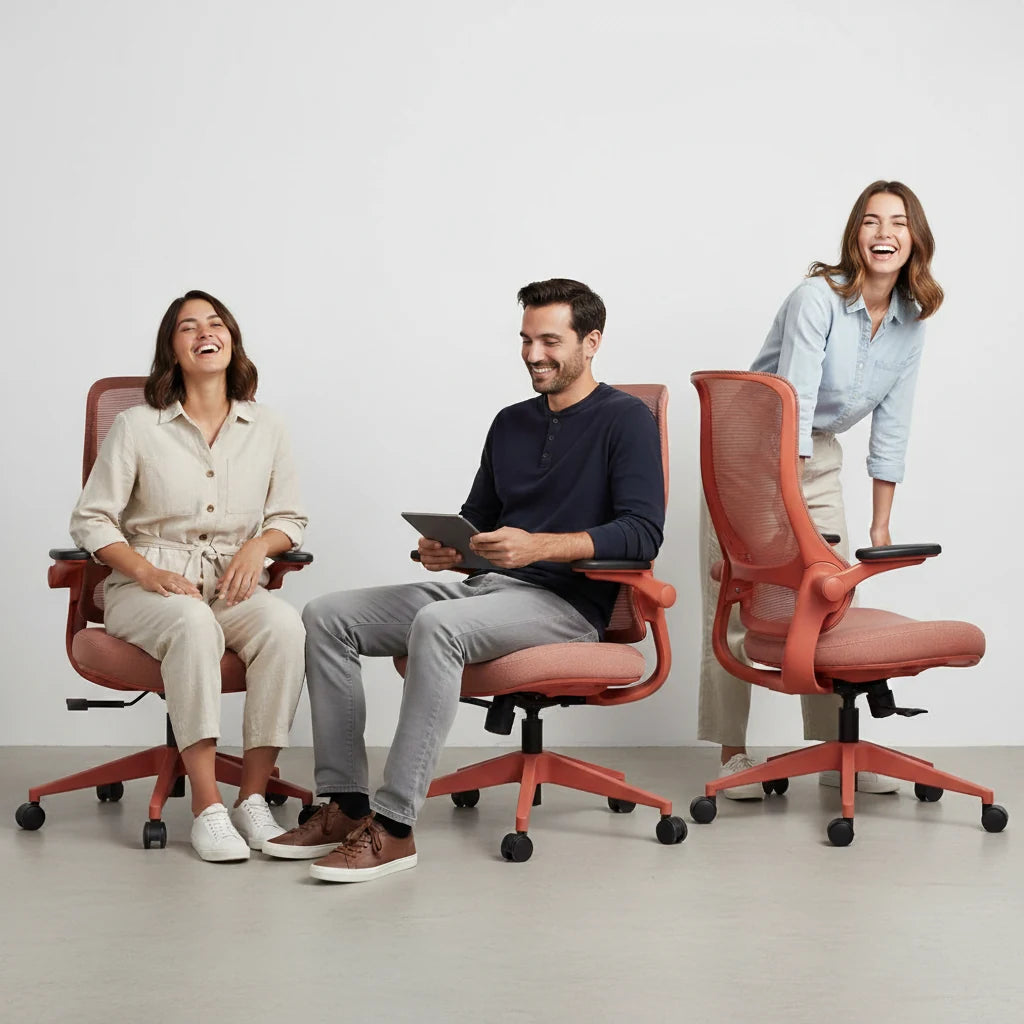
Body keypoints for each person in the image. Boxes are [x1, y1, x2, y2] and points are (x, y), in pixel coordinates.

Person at [264, 278, 665, 882]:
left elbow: (642, 533)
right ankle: (346, 804)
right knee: (328, 615)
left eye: (550, 341)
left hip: (565, 603)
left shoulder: (626, 420)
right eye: (526, 340)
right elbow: (479, 517)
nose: (534, 355)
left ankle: (394, 827)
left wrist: (538, 547)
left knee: (437, 623)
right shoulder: (510, 423)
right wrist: (452, 549)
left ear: (592, 342)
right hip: (485, 591)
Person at [699, 181, 944, 799]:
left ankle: (833, 749)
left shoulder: (911, 324)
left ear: (914, 237)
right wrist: (788, 507)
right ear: (853, 236)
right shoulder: (817, 298)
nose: (883, 233)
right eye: (870, 221)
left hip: (819, 452)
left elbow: (893, 427)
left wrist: (880, 527)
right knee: (742, 598)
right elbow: (794, 400)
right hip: (754, 451)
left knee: (826, 599)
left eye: (897, 221)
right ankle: (733, 755)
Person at [70, 290, 308, 861]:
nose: (205, 331)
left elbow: (289, 518)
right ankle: (207, 806)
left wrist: (259, 546)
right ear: (172, 349)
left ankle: (252, 799)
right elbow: (92, 518)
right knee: (193, 625)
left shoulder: (267, 426)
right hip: (145, 589)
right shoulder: (136, 426)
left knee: (284, 628)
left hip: (228, 581)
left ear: (231, 339)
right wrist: (145, 570)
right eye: (187, 326)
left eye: (215, 321)